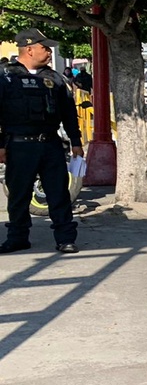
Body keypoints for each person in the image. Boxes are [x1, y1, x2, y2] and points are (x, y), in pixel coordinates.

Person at [0, 28, 85, 254]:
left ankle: (65, 238)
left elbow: (68, 112)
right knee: (19, 195)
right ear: (29, 49)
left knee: (58, 193)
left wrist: (76, 142)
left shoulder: (54, 78)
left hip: (50, 144)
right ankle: (17, 237)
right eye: (44, 47)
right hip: (18, 145)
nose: (49, 52)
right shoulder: (5, 76)